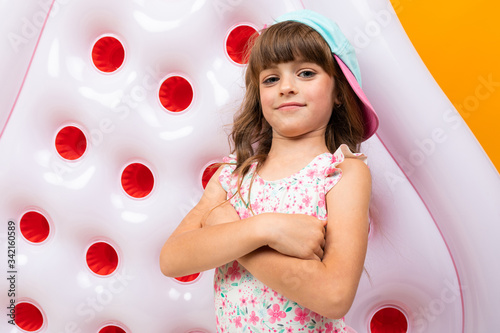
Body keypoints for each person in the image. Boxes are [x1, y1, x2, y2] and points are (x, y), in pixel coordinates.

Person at [160, 9, 379, 332]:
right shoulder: (233, 174)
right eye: (271, 78)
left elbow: (334, 296)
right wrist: (264, 228)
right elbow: (173, 258)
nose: (286, 87)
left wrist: (236, 237)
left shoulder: (340, 174)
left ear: (338, 93)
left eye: (306, 73)